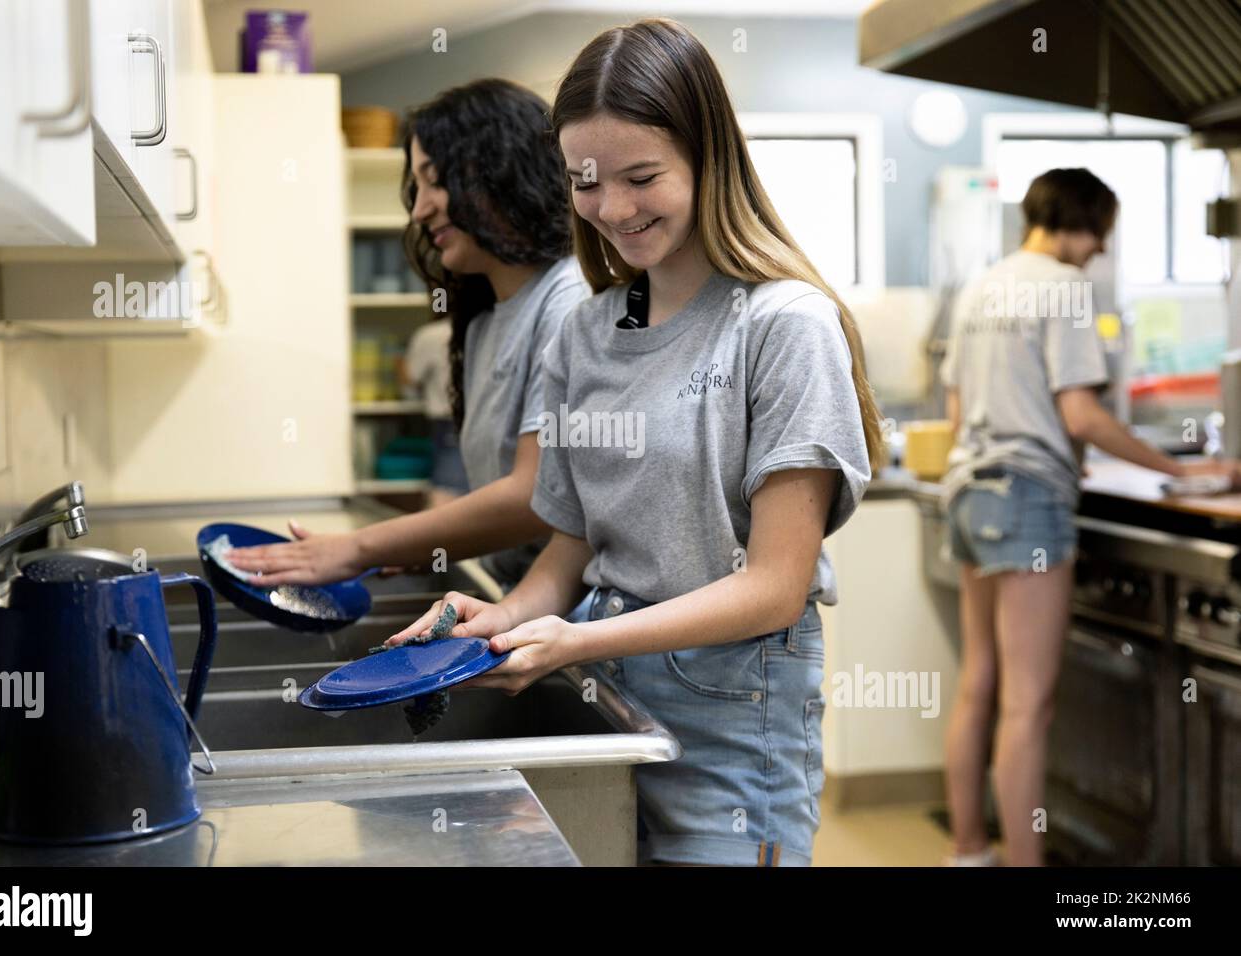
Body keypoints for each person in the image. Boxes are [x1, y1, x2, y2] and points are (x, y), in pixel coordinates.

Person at [388, 18, 885, 867]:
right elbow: (573, 547)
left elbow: (772, 587)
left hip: (734, 725)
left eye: (642, 176)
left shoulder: (783, 326)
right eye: (586, 181)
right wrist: (503, 622)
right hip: (608, 706)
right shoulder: (585, 332)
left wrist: (575, 641)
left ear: (707, 157)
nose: (613, 208)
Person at [939, 167, 1241, 867]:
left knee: (978, 682)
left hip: (969, 491)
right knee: (1028, 706)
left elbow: (959, 411)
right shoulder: (1066, 288)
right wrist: (1181, 469)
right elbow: (1081, 412)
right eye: (1098, 236)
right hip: (1026, 502)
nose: (1098, 253)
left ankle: (967, 850)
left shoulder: (983, 285)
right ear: (1081, 223)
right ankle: (1025, 864)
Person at [228, 79, 589, 593]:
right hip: (524, 602)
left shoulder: (568, 298)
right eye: (416, 187)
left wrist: (360, 546)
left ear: (501, 170)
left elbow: (535, 495)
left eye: (434, 180)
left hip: (574, 621)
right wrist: (423, 548)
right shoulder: (486, 321)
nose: (419, 209)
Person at [402, 317, 467, 507]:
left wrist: (398, 364)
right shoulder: (490, 325)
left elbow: (410, 381)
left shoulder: (432, 335)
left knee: (447, 493)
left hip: (450, 422)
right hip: (487, 421)